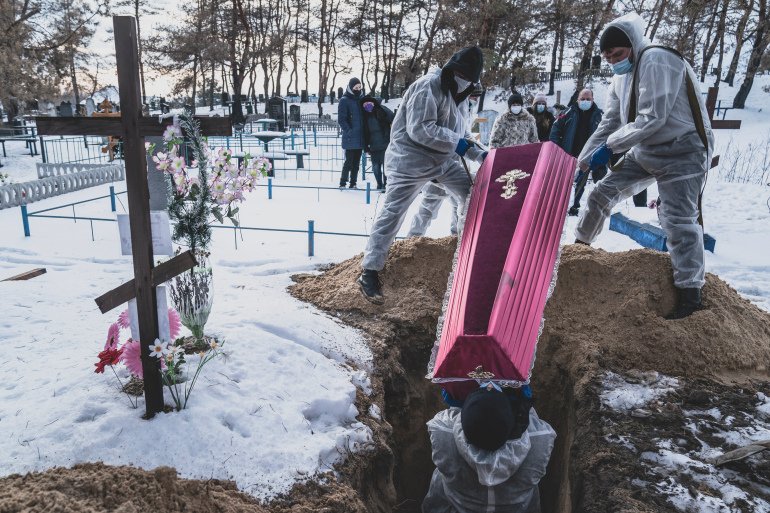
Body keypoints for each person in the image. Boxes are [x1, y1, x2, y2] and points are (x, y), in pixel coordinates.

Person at [574, 13, 714, 319]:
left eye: (618, 54)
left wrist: (610, 148)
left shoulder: (657, 60)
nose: (614, 62)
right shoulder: (620, 77)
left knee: (678, 220)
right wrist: (582, 161)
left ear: (632, 45)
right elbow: (610, 122)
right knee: (600, 194)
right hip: (646, 150)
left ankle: (690, 294)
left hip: (683, 151)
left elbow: (652, 118)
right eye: (608, 58)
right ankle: (579, 251)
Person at [357, 46, 487, 304]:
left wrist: (479, 153)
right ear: (452, 70)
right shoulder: (428, 86)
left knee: (473, 194)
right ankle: (370, 270)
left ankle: (467, 253)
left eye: (468, 79)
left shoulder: (462, 96)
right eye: (460, 75)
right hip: (410, 159)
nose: (463, 81)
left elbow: (462, 134)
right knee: (394, 211)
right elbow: (420, 129)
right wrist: (458, 144)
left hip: (442, 160)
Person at [423, 384, 556, 513]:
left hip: (457, 508)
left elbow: (454, 409)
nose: (490, 385)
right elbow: (527, 413)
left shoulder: (441, 430)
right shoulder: (541, 437)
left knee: (442, 473)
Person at [407, 84, 485, 238]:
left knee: (461, 205)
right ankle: (413, 239)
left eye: (477, 97)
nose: (475, 100)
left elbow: (465, 134)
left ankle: (457, 239)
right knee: (429, 205)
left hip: (456, 166)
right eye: (473, 96)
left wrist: (480, 151)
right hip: (439, 164)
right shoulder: (450, 105)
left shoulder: (466, 109)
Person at [549, 88, 606, 216]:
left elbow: (605, 134)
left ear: (593, 100)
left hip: (587, 156)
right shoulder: (568, 113)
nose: (585, 101)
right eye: (582, 99)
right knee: (564, 182)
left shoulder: (599, 116)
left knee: (581, 183)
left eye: (588, 99)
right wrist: (556, 147)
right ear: (578, 100)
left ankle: (574, 206)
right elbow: (555, 129)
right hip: (568, 153)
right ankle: (559, 206)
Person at [361, 95, 395, 190]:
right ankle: (379, 184)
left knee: (385, 166)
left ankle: (385, 185)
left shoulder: (381, 110)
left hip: (385, 143)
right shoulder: (364, 116)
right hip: (373, 145)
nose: (368, 106)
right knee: (376, 167)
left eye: (369, 103)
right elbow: (364, 133)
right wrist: (366, 147)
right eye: (365, 105)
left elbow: (392, 118)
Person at [338, 77, 365, 189]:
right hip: (350, 137)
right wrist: (349, 131)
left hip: (360, 136)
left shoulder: (362, 99)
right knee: (348, 162)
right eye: (356, 87)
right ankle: (342, 183)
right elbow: (341, 119)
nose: (358, 89)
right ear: (350, 87)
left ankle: (353, 183)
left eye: (359, 87)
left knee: (356, 163)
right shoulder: (344, 100)